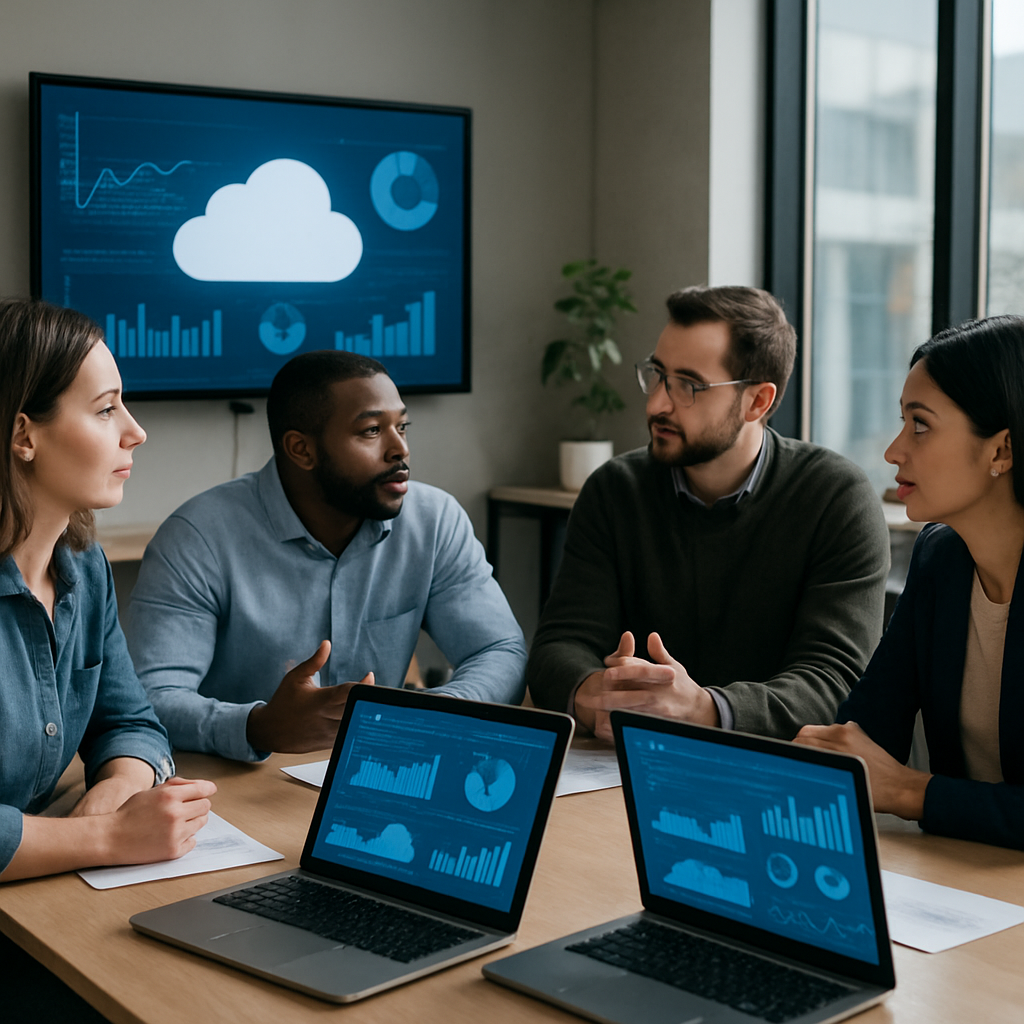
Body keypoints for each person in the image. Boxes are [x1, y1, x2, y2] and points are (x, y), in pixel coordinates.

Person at [125, 350, 527, 762]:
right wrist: (258, 726)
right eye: (371, 431)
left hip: (377, 772)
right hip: (238, 786)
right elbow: (146, 698)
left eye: (402, 426)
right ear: (301, 449)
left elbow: (499, 651)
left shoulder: (435, 520)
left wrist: (431, 714)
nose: (399, 450)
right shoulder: (198, 537)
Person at [527, 285, 890, 740]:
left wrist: (705, 709)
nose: (657, 402)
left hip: (775, 778)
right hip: (629, 765)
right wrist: (596, 692)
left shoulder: (835, 498)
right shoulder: (615, 490)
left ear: (757, 401)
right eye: (658, 375)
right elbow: (556, 647)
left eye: (689, 386)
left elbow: (835, 682)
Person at [0, 298, 215, 883]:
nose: (136, 432)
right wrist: (106, 835)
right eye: (105, 410)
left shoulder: (83, 564)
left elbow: (130, 721)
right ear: (24, 434)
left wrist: (118, 786)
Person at [796, 316, 1024, 850]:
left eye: (920, 424)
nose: (894, 450)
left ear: (1001, 451)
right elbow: (866, 734)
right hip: (962, 879)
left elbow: (894, 783)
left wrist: (909, 791)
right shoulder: (940, 558)